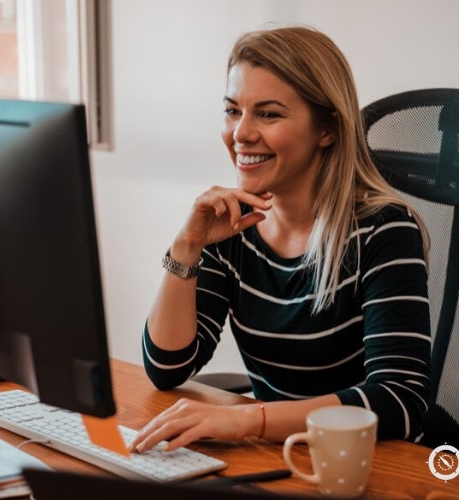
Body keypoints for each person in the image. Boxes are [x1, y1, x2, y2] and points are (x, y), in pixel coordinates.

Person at [128, 25, 432, 454]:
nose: (241, 133)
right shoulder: (232, 226)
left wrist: (247, 419)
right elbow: (167, 367)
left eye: (268, 114)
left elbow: (400, 398)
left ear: (326, 129)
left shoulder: (383, 230)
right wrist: (187, 246)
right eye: (233, 110)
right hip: (285, 456)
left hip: (371, 462)